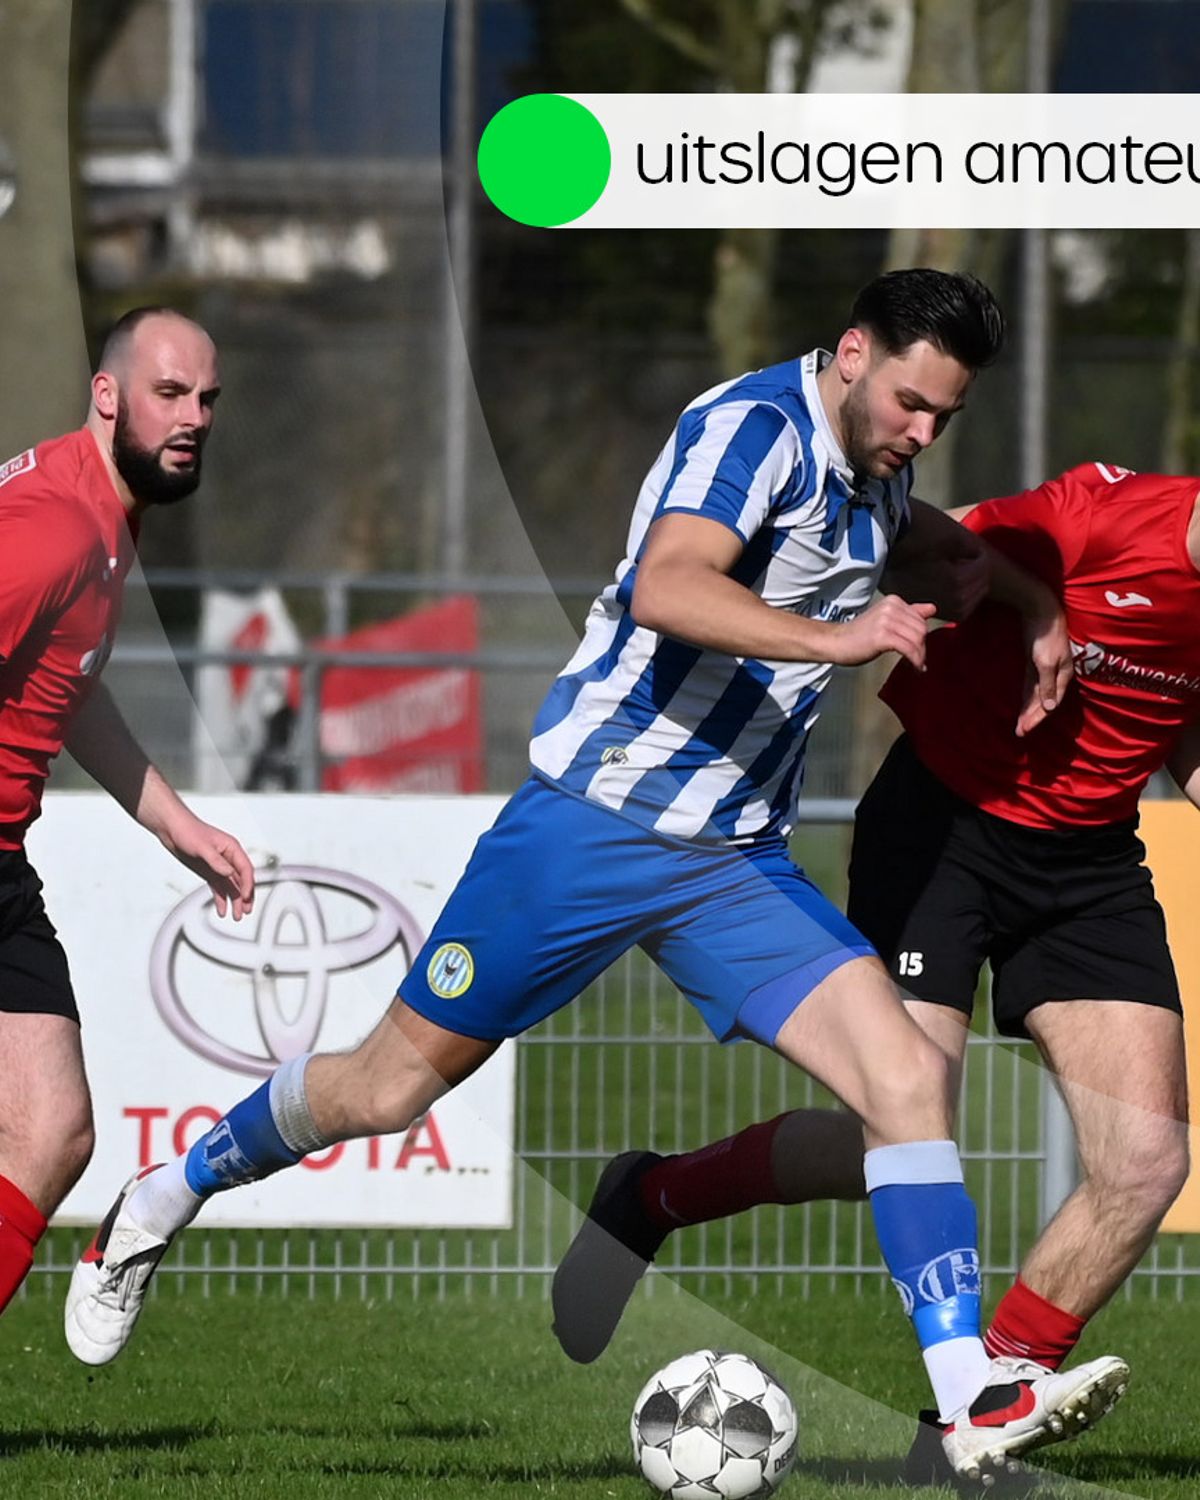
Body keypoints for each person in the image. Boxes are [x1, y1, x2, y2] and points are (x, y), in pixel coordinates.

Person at [65, 270, 1123, 1484]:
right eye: (909, 403)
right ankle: (166, 1192)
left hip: (731, 863)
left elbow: (914, 538)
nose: (922, 432)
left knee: (903, 1083)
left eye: (944, 416)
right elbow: (670, 583)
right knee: (380, 1092)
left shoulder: (877, 464)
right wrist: (844, 635)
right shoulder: (749, 433)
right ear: (848, 354)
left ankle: (968, 1397)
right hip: (590, 828)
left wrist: (1031, 597)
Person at [551, 457, 1193, 1472]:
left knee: (1147, 1161)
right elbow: (914, 531)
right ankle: (652, 1196)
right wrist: (1023, 600)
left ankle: (965, 1435)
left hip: (1092, 859)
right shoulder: (1103, 517)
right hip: (946, 829)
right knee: (894, 1131)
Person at [0, 307, 254, 1331]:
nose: (192, 416)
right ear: (107, 396)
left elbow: (69, 681)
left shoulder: (105, 508)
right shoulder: (55, 527)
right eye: (168, 395)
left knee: (54, 1130)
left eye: (206, 399)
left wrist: (175, 825)